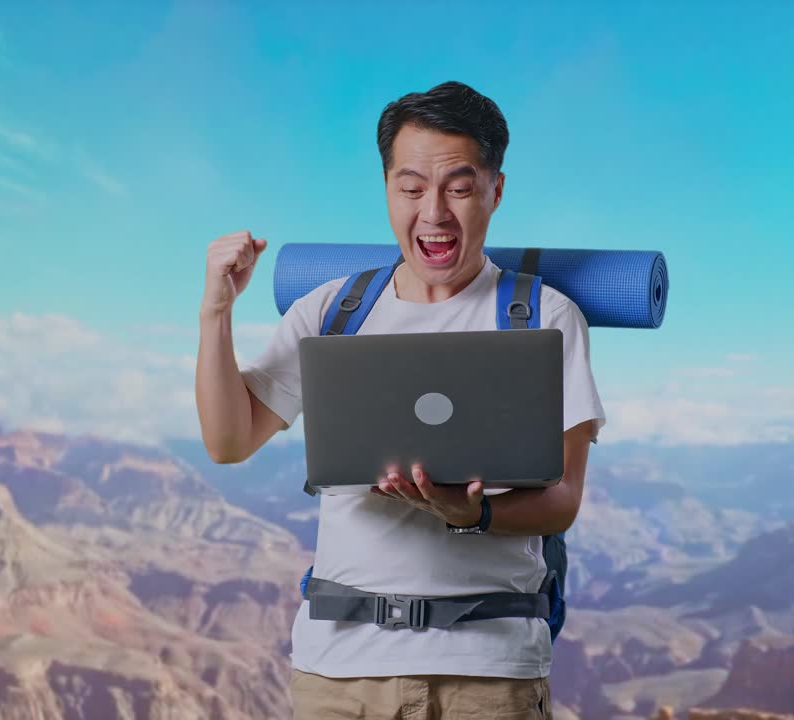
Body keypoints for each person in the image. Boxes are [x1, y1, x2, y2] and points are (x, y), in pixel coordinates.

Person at [195, 80, 606, 719]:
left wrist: (471, 515)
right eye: (411, 189)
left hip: (487, 677)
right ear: (387, 188)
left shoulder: (544, 319)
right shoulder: (333, 312)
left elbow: (563, 499)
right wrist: (215, 313)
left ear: (496, 190)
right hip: (339, 676)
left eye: (459, 188)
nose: (434, 212)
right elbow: (228, 441)